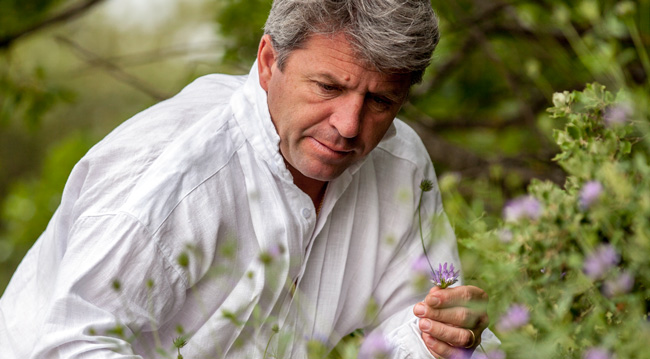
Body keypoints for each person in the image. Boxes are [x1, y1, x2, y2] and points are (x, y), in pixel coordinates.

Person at [0, 0, 498, 357]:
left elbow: (408, 324)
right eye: (328, 87)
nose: (349, 125)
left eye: (380, 101)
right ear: (267, 62)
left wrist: (441, 338)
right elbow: (70, 343)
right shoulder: (170, 174)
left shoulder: (401, 164)